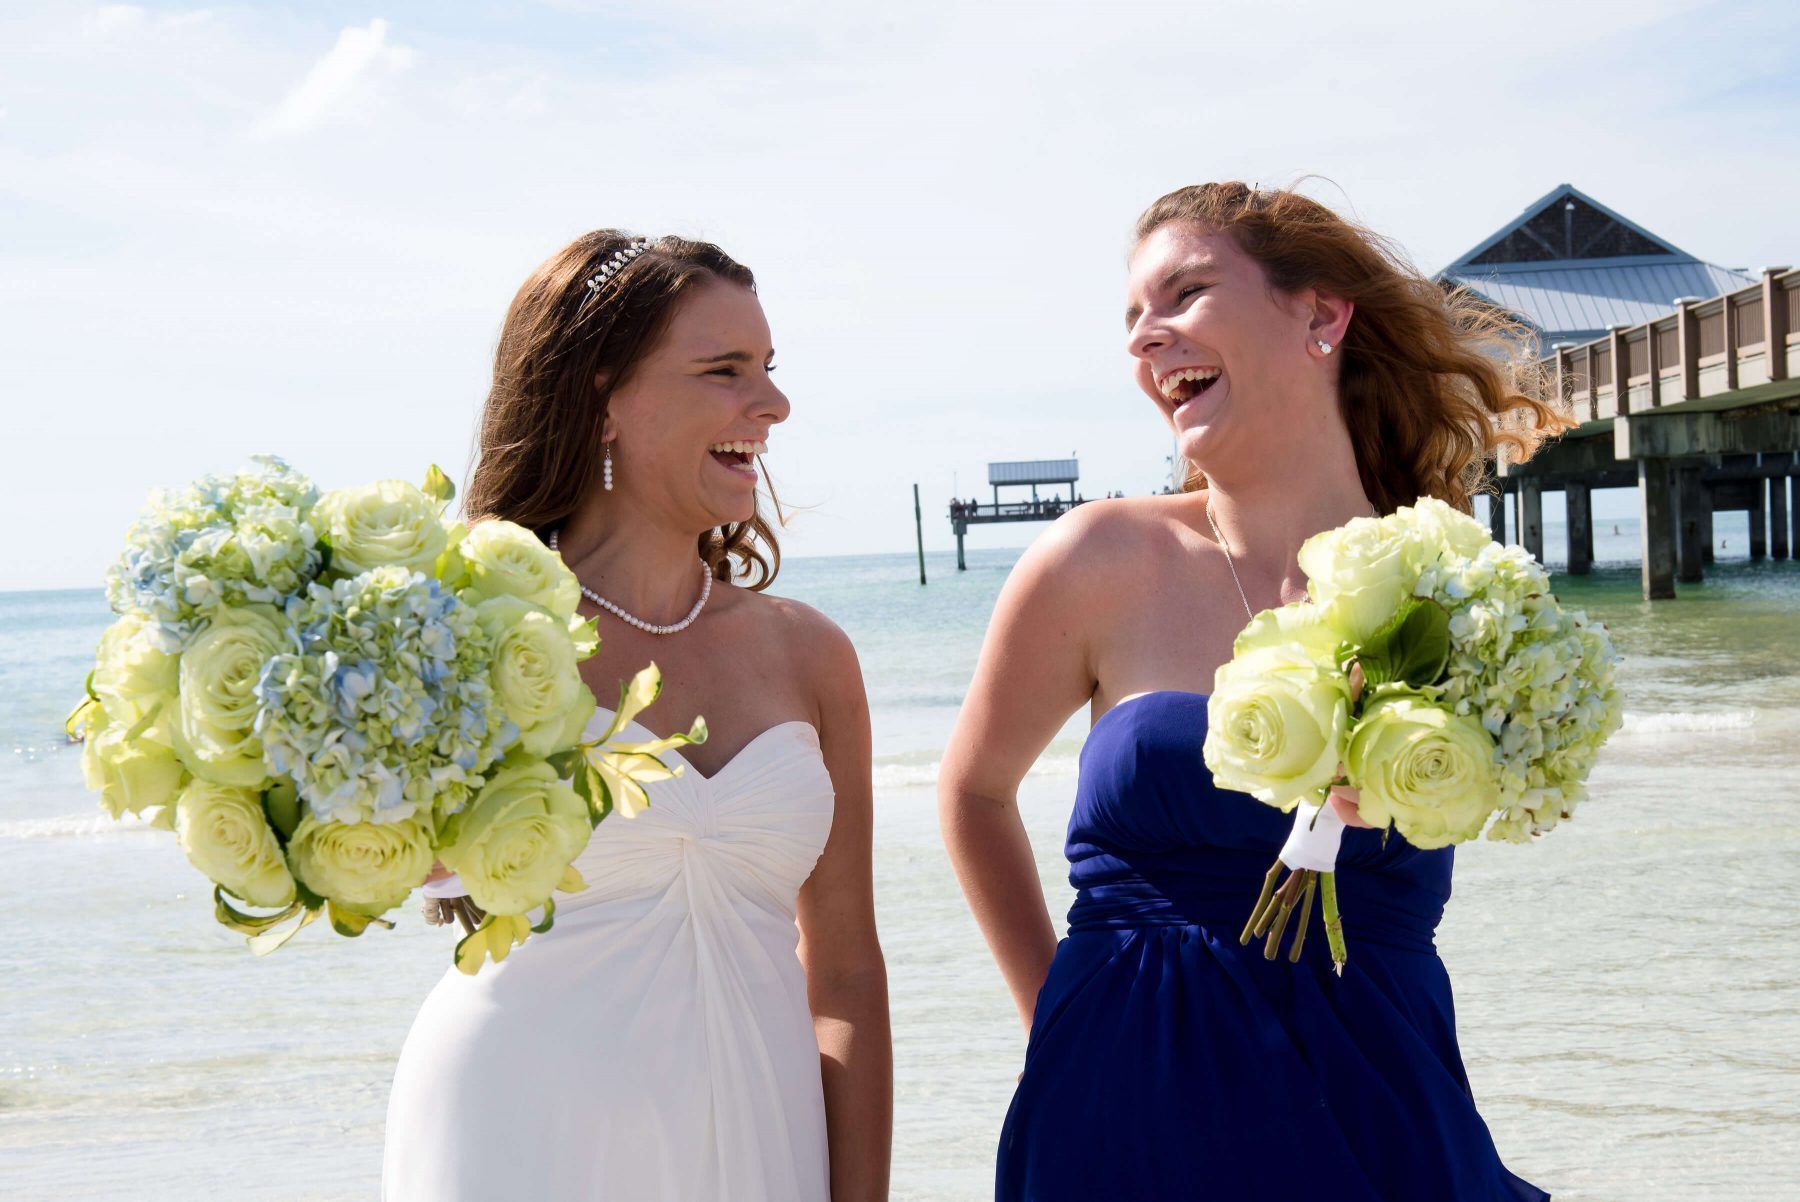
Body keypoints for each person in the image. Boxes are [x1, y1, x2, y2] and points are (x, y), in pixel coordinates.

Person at [938, 182, 1569, 1201]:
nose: (1147, 339)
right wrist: (1056, 1011)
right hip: (1121, 1106)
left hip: (1381, 1103)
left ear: (1320, 313)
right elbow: (972, 792)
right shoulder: (1097, 559)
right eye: (1134, 318)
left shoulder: (1459, 594)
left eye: (1183, 294)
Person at [384, 232, 892, 1202]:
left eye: (769, 369)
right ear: (604, 397)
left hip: (764, 1136)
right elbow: (385, 854)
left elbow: (848, 976)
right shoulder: (472, 633)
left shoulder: (809, 654)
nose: (774, 404)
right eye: (724, 370)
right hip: (519, 1128)